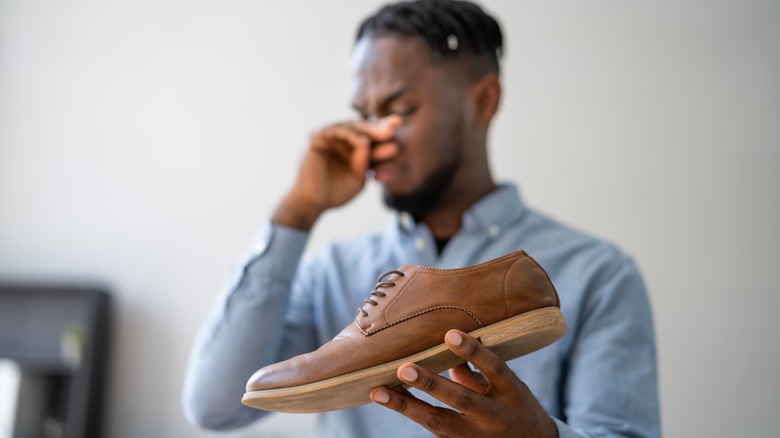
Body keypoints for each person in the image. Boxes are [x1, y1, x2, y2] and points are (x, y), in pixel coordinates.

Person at [182, 0, 660, 437]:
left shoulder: (597, 273)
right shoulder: (332, 273)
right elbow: (216, 407)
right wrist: (297, 211)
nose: (373, 138)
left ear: (483, 101)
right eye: (364, 115)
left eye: (400, 109)